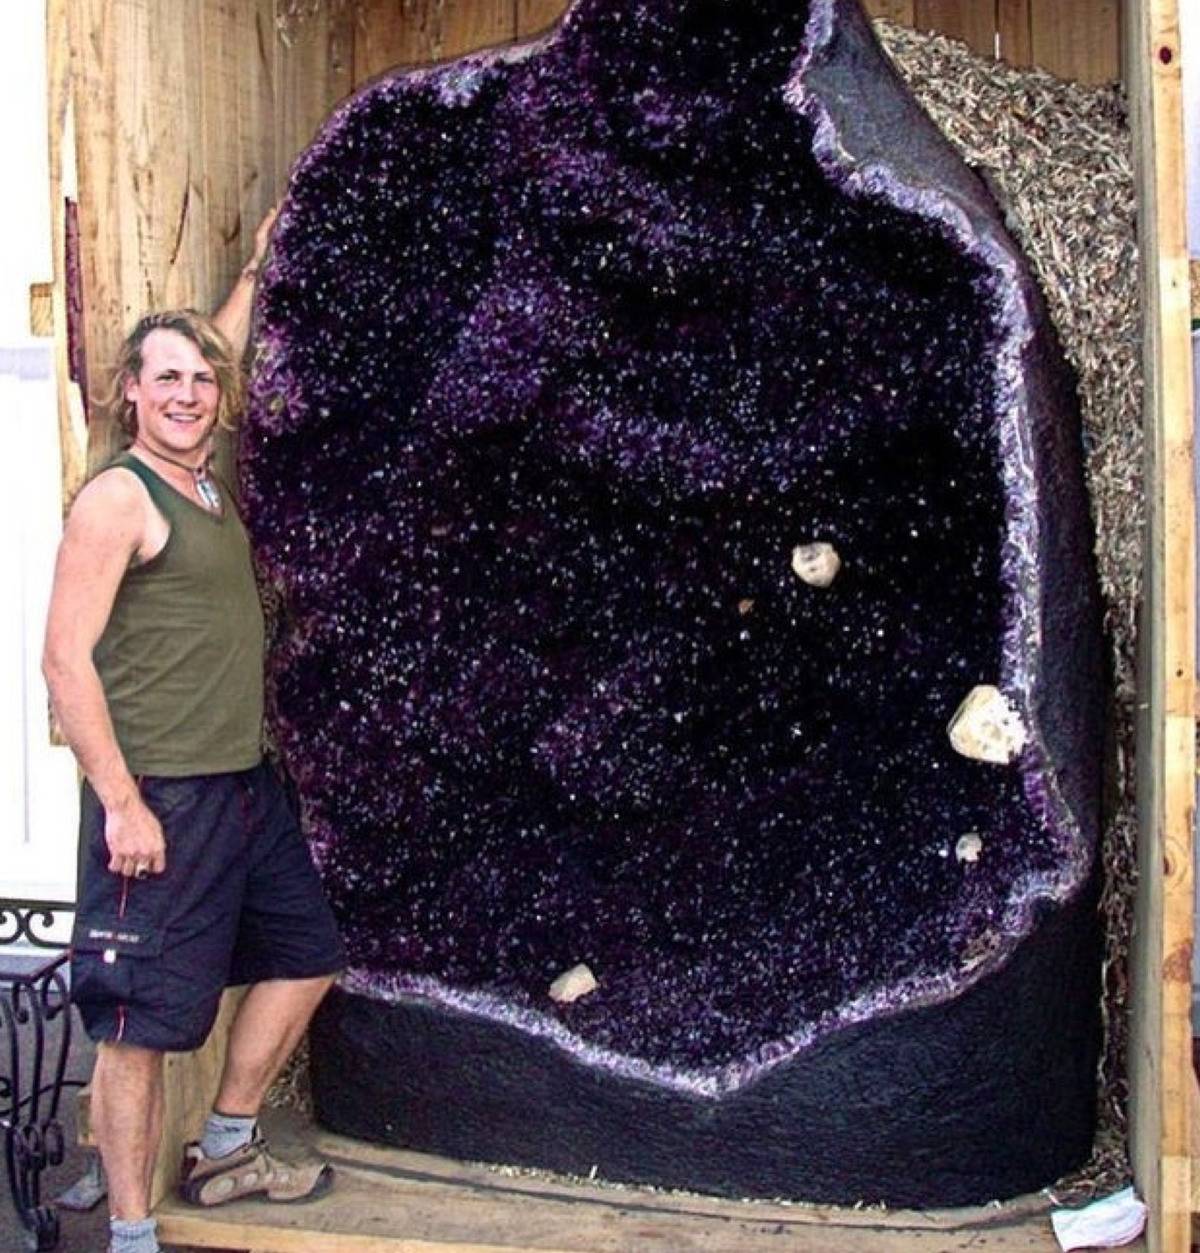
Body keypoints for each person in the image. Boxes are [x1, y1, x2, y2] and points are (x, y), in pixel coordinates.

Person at [42, 210, 345, 1253]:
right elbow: (62, 659)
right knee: (138, 1030)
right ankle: (130, 1233)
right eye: (164, 378)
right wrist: (121, 803)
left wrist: (261, 266)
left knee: (307, 951)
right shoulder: (118, 500)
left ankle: (224, 1142)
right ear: (129, 389)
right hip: (160, 799)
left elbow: (217, 340)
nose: (186, 393)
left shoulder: (202, 479)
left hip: (242, 790)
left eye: (201, 381)